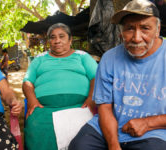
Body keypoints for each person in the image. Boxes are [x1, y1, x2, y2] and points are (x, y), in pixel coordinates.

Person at [69, 0, 166, 150]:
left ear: (158, 29)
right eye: (129, 29)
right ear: (121, 32)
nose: (136, 38)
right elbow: (105, 108)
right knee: (78, 146)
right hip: (107, 126)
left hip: (153, 132)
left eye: (145, 28)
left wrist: (148, 123)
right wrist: (113, 145)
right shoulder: (109, 58)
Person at [22, 23, 98, 150]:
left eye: (61, 36)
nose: (57, 41)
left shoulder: (82, 56)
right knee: (36, 126)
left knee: (85, 136)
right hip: (45, 108)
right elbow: (27, 81)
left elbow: (96, 77)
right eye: (53, 37)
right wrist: (32, 100)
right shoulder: (40, 59)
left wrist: (91, 98)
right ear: (49, 41)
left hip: (80, 106)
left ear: (70, 39)